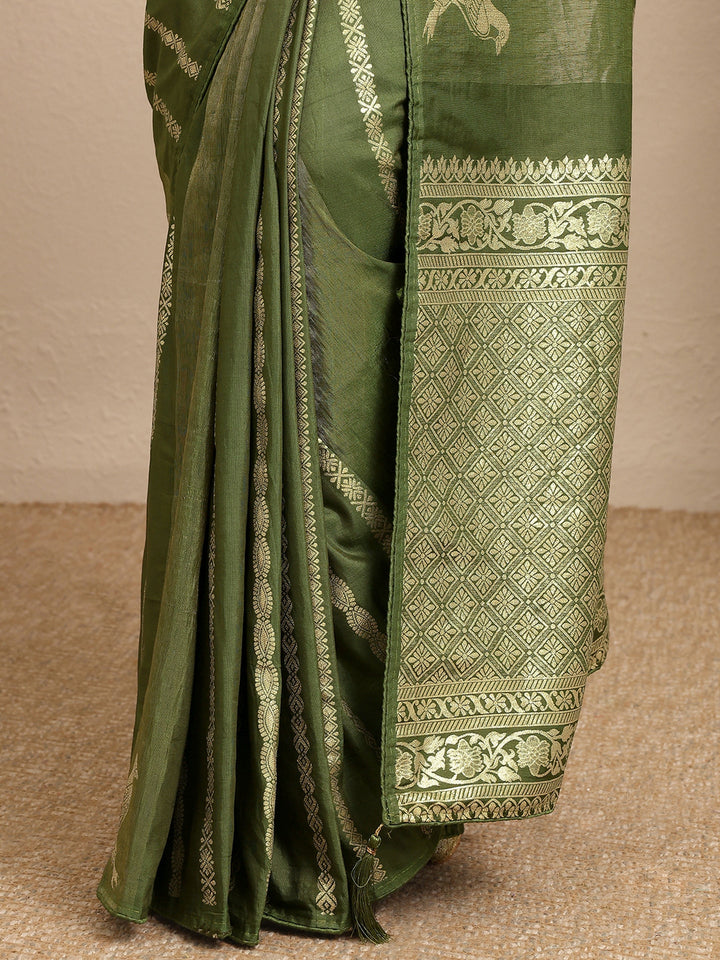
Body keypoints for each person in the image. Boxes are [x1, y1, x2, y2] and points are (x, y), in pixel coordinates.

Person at [96, 0, 636, 945]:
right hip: (317, 63)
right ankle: (313, 822)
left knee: (340, 379)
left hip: (316, 59)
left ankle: (327, 802)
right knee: (328, 377)